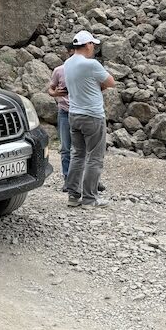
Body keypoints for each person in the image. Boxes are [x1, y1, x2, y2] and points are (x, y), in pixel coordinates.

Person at [63, 30, 115, 208]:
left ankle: (73, 195)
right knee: (94, 157)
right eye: (93, 44)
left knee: (77, 155)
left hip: (74, 114)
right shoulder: (91, 64)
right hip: (92, 115)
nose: (94, 47)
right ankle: (90, 199)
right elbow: (111, 82)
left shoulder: (67, 63)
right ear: (87, 45)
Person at [47, 46, 73, 187]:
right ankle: (67, 180)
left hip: (80, 111)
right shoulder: (59, 70)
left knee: (83, 148)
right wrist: (56, 93)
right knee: (65, 148)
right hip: (64, 111)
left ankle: (88, 180)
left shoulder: (86, 69)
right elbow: (50, 88)